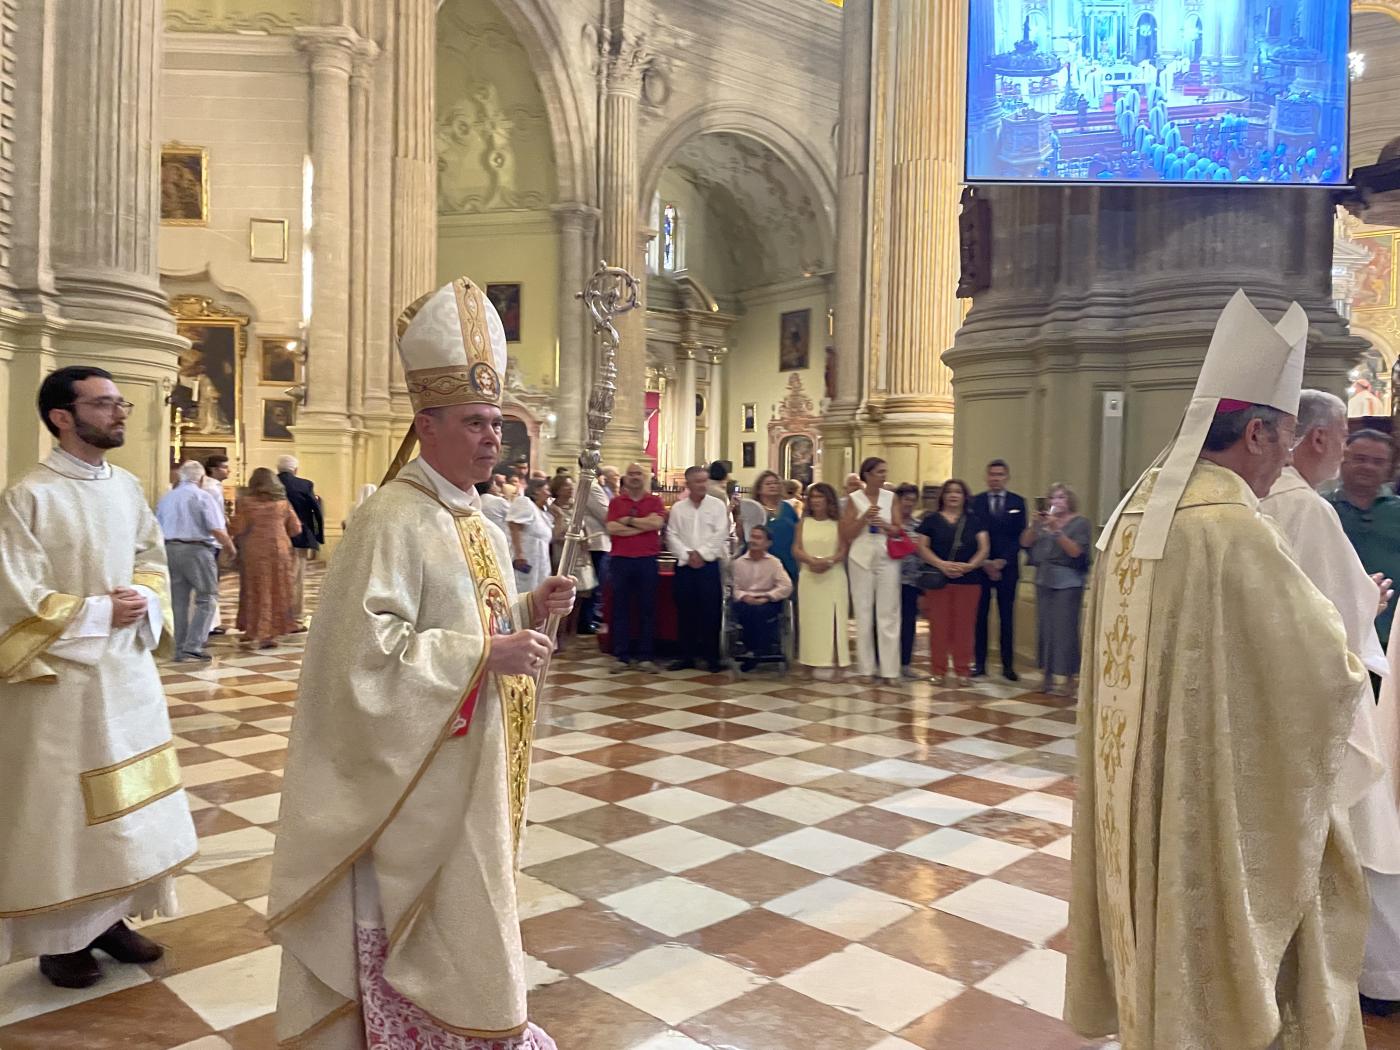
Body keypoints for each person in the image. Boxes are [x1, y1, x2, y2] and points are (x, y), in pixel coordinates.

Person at [269, 277, 570, 1049]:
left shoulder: (483, 520)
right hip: (412, 782)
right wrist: (485, 651)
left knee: (476, 903)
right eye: (474, 424)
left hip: (474, 764)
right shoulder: (389, 520)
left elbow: (485, 624)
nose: (490, 440)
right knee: (430, 914)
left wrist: (533, 612)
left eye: (496, 424)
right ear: (426, 427)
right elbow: (361, 660)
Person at [1068, 291, 1369, 1049]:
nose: (1288, 459)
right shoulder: (1232, 529)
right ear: (1258, 431)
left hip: (1134, 782)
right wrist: (1352, 629)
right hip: (1198, 785)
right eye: (1288, 439)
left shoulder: (1138, 507)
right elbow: (1319, 670)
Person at [0, 366, 196, 989]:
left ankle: (111, 919)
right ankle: (62, 940)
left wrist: (142, 594)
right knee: (64, 810)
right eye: (105, 404)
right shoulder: (28, 495)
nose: (120, 413)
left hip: (127, 676)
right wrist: (98, 612)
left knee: (126, 806)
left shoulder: (128, 486)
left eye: (121, 403)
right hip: (60, 685)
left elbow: (150, 556)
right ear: (62, 416)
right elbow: (13, 600)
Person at [1262, 390, 1400, 1016]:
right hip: (1322, 705)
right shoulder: (1311, 511)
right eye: (1346, 440)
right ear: (1320, 440)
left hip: (1272, 702)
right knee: (1364, 835)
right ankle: (1373, 978)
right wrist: (1368, 600)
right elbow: (1336, 619)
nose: (1349, 454)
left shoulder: (1257, 499)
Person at [156, 460, 236, 662]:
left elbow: (157, 526)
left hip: (170, 548)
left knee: (178, 601)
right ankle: (193, 646)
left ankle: (178, 646)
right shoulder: (202, 496)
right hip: (196, 549)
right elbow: (216, 528)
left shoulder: (167, 498)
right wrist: (230, 546)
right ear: (201, 478)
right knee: (207, 597)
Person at [1329, 429, 1400, 650]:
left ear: (1389, 468)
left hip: (1392, 634)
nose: (1368, 467)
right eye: (1360, 459)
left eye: (1378, 462)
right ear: (1343, 459)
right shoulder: (1321, 508)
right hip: (1337, 633)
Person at [914, 479, 989, 686]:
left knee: (964, 628)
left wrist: (970, 566)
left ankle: (963, 670)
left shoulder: (975, 520)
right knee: (939, 626)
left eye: (958, 492)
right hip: (939, 580)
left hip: (969, 580)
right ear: (943, 496)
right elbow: (922, 547)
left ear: (965, 497)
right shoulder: (931, 520)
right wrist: (942, 564)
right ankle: (938, 670)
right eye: (949, 492)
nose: (953, 495)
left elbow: (984, 548)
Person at [1020, 483, 1092, 696]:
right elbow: (1025, 543)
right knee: (1046, 629)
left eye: (1060, 497)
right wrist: (1034, 525)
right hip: (1044, 579)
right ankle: (1047, 676)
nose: (1055, 501)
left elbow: (1075, 552)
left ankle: (1069, 678)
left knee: (1066, 630)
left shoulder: (1080, 523)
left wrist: (1057, 531)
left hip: (1068, 581)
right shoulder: (1043, 523)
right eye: (1052, 497)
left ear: (1069, 500)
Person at [841, 457, 902, 682]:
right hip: (861, 556)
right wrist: (864, 518)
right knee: (863, 612)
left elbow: (897, 529)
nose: (883, 476)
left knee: (888, 613)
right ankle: (865, 668)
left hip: (887, 555)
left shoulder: (891, 498)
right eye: (879, 472)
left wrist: (885, 525)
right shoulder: (854, 499)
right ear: (867, 474)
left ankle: (890, 670)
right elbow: (846, 533)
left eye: (885, 472)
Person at [665, 465, 729, 672]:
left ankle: (711, 657)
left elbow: (721, 532)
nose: (703, 485)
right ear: (688, 484)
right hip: (684, 566)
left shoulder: (717, 505)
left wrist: (701, 553)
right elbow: (671, 534)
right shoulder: (678, 508)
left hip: (708, 564)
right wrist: (686, 554)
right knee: (685, 610)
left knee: (710, 611)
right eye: (698, 482)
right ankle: (686, 655)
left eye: (705, 481)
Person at [229, 467, 302, 650]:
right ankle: (270, 633)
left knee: (255, 589)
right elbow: (296, 528)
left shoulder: (245, 503)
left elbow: (237, 527)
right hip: (280, 550)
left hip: (254, 550)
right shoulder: (282, 503)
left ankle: (254, 631)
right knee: (277, 590)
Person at [605, 461, 666, 673]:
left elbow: (656, 524)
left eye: (638, 474)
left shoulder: (655, 501)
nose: (634, 477)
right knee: (620, 608)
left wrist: (628, 521)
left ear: (645, 476)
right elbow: (612, 528)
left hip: (647, 560)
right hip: (621, 559)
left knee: (647, 608)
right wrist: (642, 525)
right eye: (630, 474)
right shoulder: (615, 502)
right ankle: (621, 656)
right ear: (625, 478)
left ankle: (645, 656)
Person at [971, 459, 1027, 681]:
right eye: (992, 474)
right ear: (986, 477)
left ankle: (1007, 666)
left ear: (1007, 477)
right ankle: (980, 664)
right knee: (980, 617)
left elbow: (1019, 537)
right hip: (981, 568)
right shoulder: (975, 502)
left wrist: (1002, 560)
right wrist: (985, 562)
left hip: (1007, 568)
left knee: (1006, 617)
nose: (996, 478)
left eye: (1000, 475)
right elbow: (972, 535)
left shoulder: (1018, 502)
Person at [794, 481, 850, 678]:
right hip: (809, 576)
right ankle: (809, 663)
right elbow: (797, 548)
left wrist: (829, 561)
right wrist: (810, 560)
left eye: (820, 497)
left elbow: (843, 550)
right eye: (813, 497)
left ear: (829, 500)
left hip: (833, 575)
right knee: (810, 621)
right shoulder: (803, 523)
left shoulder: (838, 524)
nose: (816, 501)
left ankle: (839, 664)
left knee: (834, 620)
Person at [731, 525, 793, 671]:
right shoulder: (738, 563)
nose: (754, 541)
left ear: (767, 543)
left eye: (758, 538)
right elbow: (734, 587)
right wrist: (744, 596)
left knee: (761, 611)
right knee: (748, 611)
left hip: (767, 599)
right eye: (752, 537)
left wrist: (767, 596)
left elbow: (786, 586)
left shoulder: (774, 563)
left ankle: (755, 651)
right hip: (745, 600)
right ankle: (759, 650)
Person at [276, 454, 324, 630]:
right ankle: (294, 616)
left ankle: (276, 614)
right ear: (295, 469)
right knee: (296, 578)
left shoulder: (267, 483)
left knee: (275, 577)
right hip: (299, 537)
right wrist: (317, 536)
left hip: (272, 538)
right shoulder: (304, 484)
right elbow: (316, 511)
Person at [740, 471, 800, 583]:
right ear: (759, 489)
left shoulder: (787, 507)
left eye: (776, 483)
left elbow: (798, 530)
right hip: (761, 561)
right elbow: (744, 535)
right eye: (768, 484)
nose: (773, 486)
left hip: (788, 558)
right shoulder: (753, 508)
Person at [579, 464, 616, 634]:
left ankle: (589, 619)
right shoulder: (592, 487)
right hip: (597, 540)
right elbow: (605, 513)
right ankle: (589, 620)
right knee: (595, 584)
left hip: (597, 540)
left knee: (594, 583)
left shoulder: (587, 484)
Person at [894, 483, 924, 678]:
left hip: (911, 580)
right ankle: (884, 660)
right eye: (906, 499)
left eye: (913, 500)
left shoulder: (918, 526)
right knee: (888, 621)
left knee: (908, 622)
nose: (909, 504)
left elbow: (922, 549)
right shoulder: (890, 524)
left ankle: (905, 663)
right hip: (890, 579)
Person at [202, 454, 231, 635]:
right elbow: (214, 518)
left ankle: (212, 621)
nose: (228, 470)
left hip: (211, 541)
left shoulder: (213, 487)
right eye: (225, 467)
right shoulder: (211, 488)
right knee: (210, 583)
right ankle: (209, 624)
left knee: (212, 583)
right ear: (213, 469)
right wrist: (225, 540)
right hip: (211, 540)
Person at [508, 477, 553, 595]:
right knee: (523, 591)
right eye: (546, 490)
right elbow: (514, 525)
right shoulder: (525, 502)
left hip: (541, 559)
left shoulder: (543, 512)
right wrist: (519, 553)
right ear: (537, 490)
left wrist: (559, 517)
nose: (549, 494)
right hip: (526, 557)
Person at [546, 473, 575, 573]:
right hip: (558, 551)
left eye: (572, 485)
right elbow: (553, 533)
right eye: (567, 485)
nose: (571, 488)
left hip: (577, 552)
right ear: (557, 489)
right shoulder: (550, 507)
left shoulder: (576, 505)